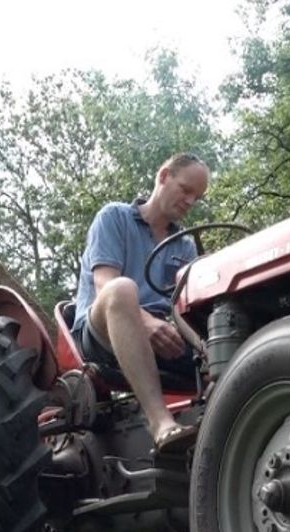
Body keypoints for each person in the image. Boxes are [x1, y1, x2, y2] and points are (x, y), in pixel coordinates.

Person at [72, 153, 209, 453]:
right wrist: (146, 322)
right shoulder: (115, 217)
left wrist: (205, 347)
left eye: (196, 198)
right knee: (122, 289)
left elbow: (185, 307)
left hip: (164, 334)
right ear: (163, 176)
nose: (189, 201)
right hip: (102, 330)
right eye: (185, 190)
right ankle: (160, 424)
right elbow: (104, 284)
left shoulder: (185, 245)